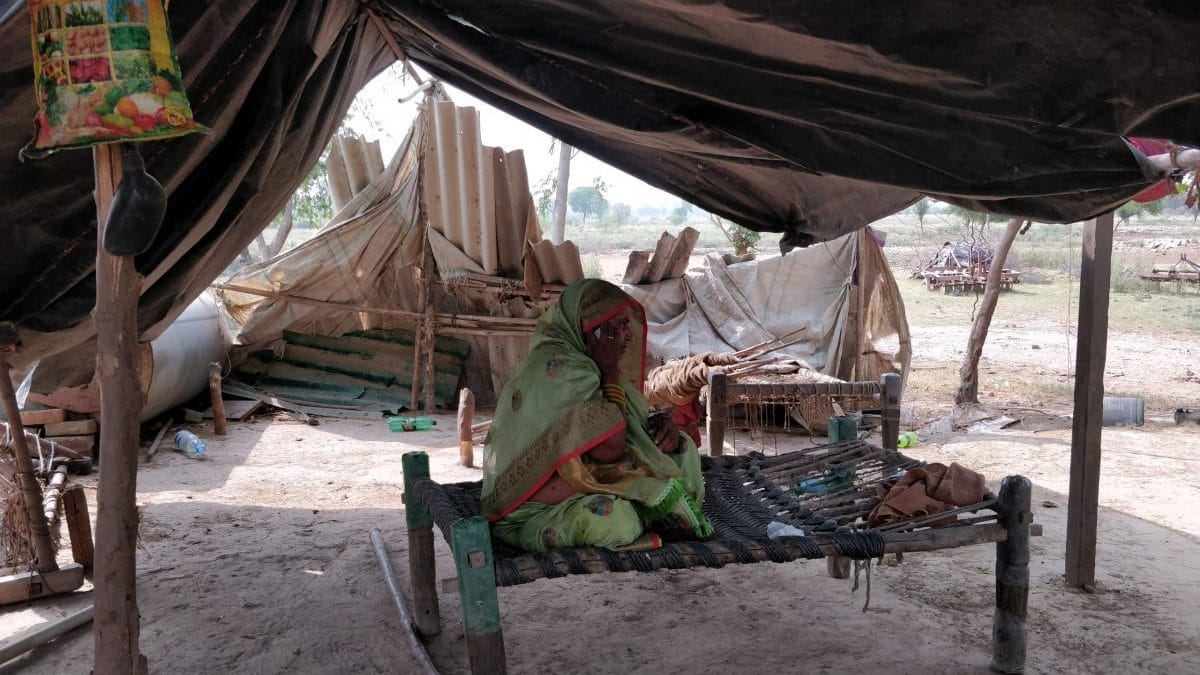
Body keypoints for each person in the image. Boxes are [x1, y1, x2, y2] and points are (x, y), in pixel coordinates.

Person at [481, 279, 712, 552]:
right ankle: (654, 514)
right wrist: (609, 368)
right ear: (588, 326)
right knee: (616, 522)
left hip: (590, 481)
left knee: (684, 448)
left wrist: (660, 423)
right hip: (536, 510)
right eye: (615, 326)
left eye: (626, 325)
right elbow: (609, 450)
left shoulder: (587, 366)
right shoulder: (566, 369)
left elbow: (624, 422)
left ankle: (657, 510)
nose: (626, 336)